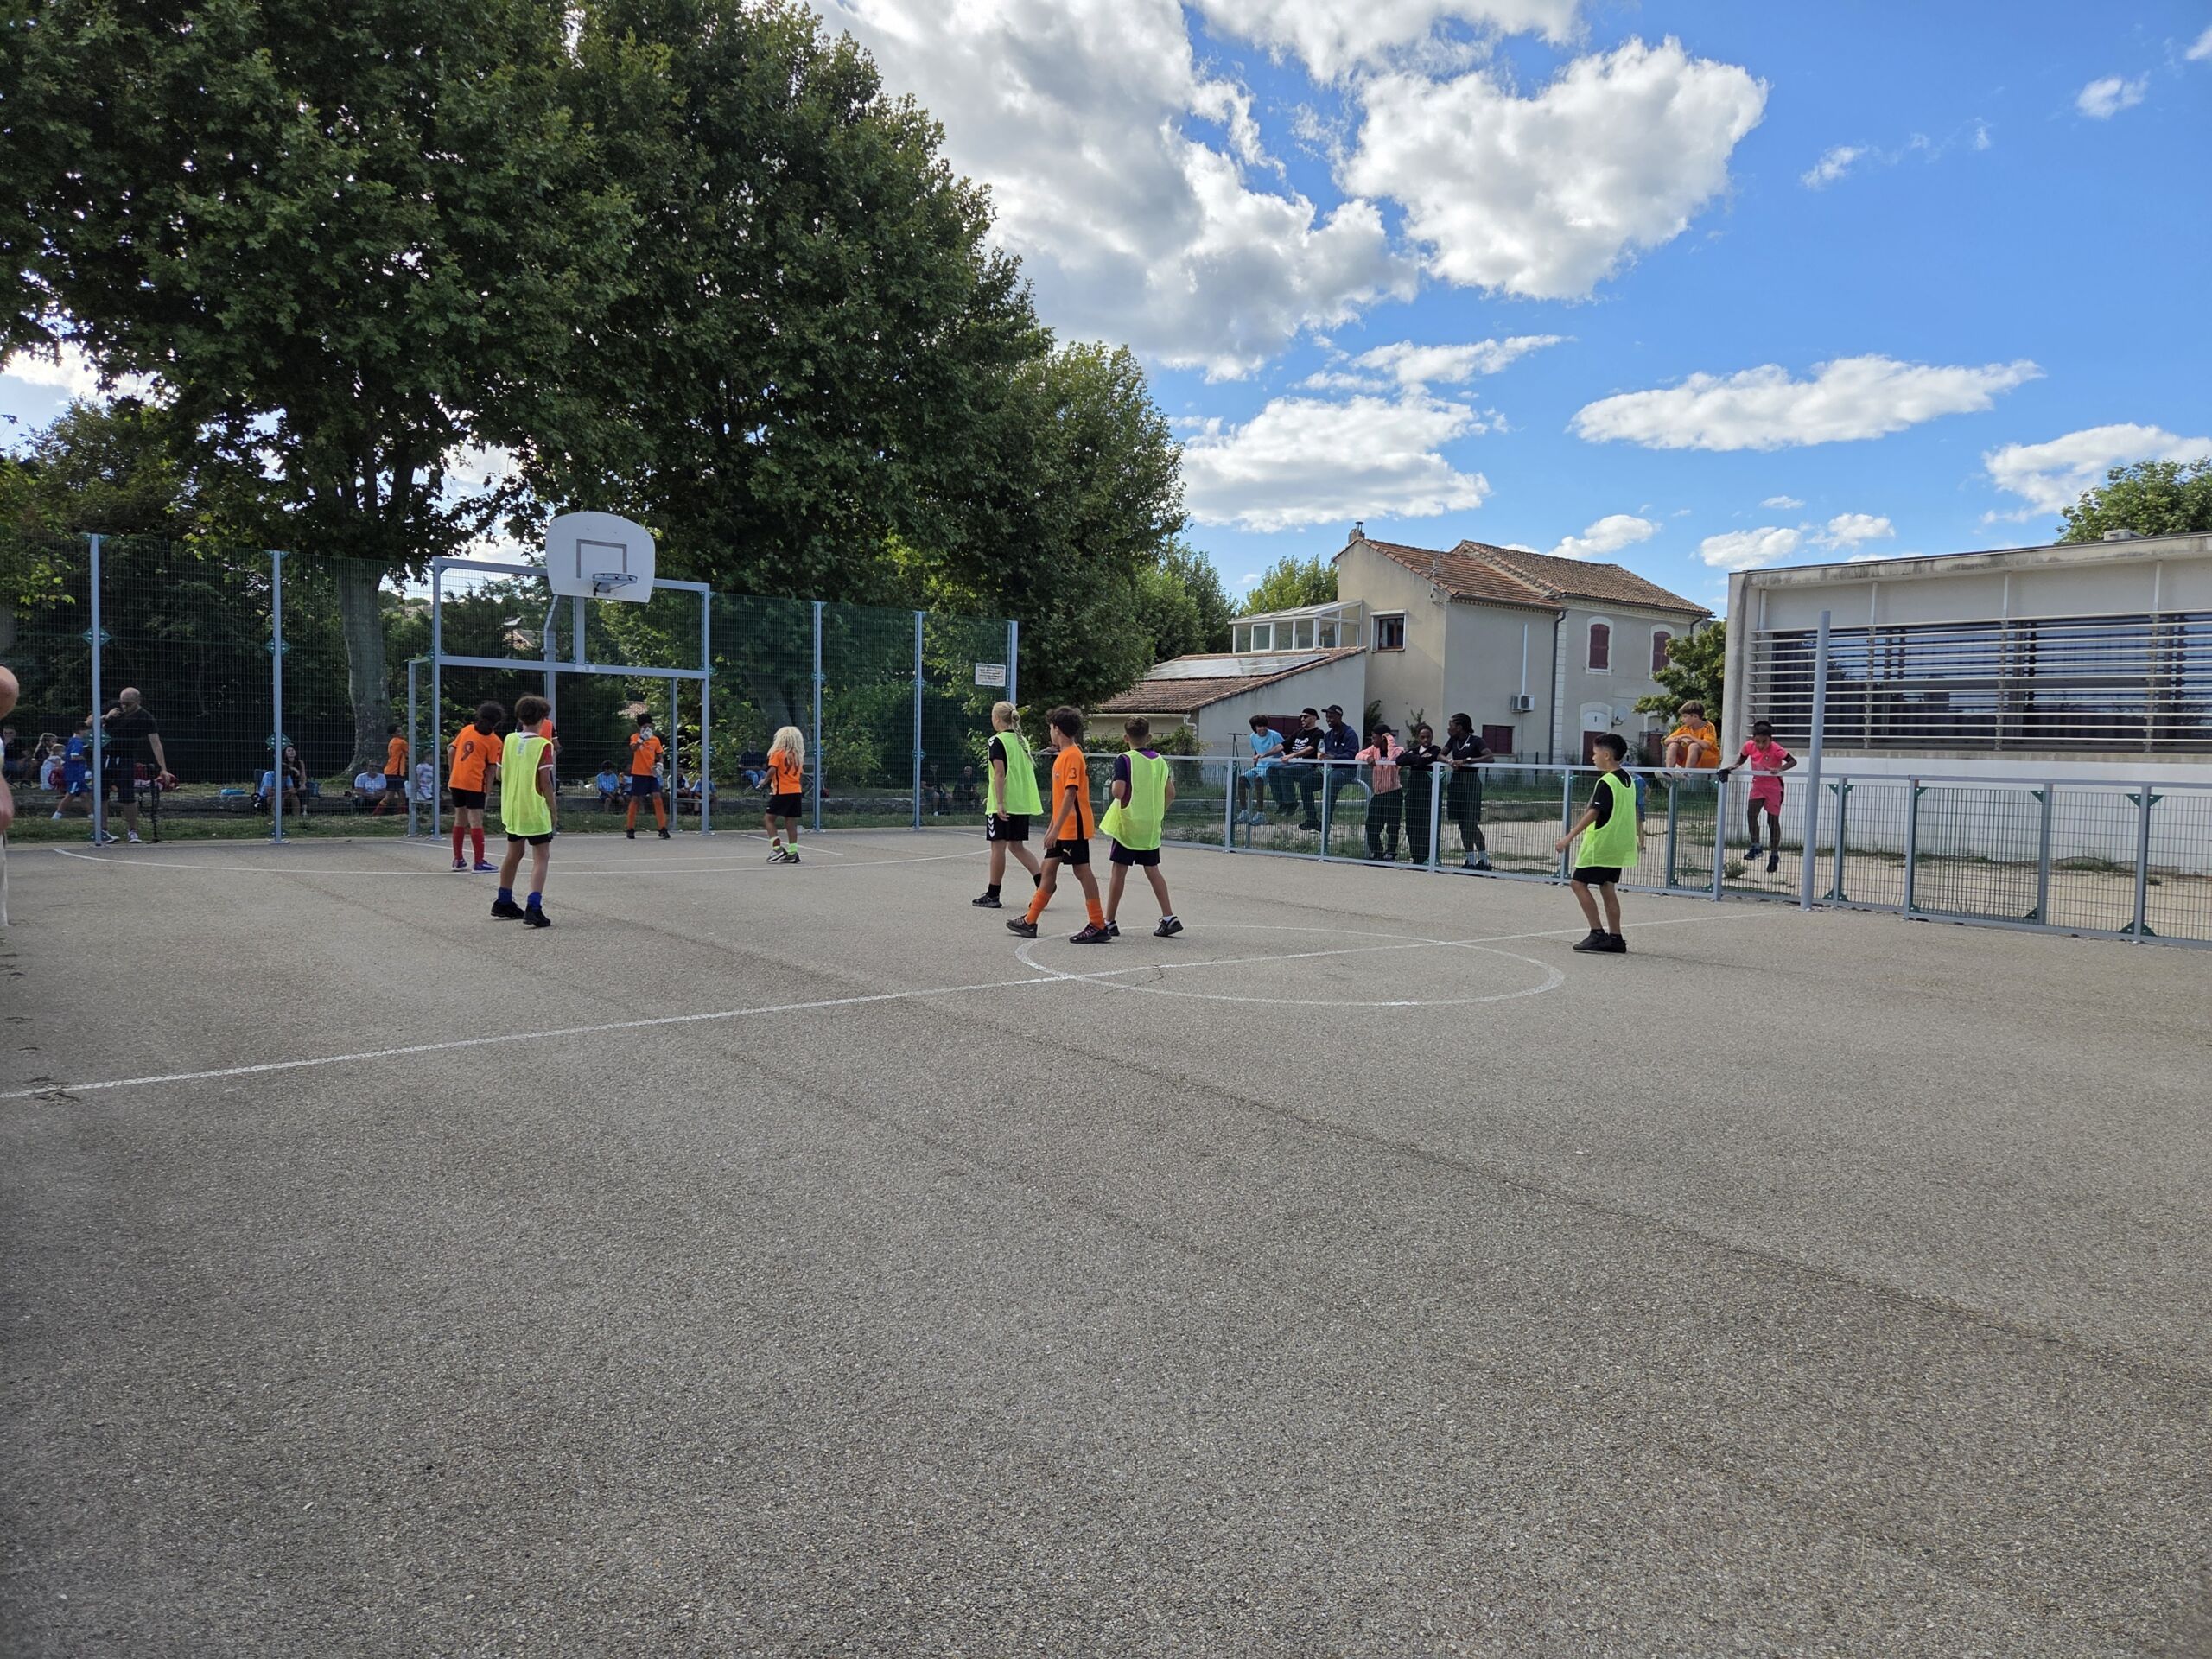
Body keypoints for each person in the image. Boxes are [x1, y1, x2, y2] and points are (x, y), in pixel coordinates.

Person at [1007, 706, 1109, 944]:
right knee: (1048, 869)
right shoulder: (1063, 755)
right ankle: (1030, 920)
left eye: (1051, 728)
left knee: (1082, 871)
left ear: (1058, 729)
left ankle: (1098, 923)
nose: (1050, 732)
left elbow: (1070, 794)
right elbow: (1060, 797)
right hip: (1063, 826)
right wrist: (1053, 826)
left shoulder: (1072, 755)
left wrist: (1056, 828)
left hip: (1074, 827)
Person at [1554, 732, 1641, 953]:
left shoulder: (1607, 781)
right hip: (1618, 844)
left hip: (1601, 844)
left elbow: (1594, 812)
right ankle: (1616, 937)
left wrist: (1568, 837)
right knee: (1607, 887)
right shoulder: (1628, 779)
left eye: (1594, 754)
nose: (1592, 758)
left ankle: (1597, 933)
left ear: (1606, 755)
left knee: (1577, 883)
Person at [1100, 716, 1180, 938]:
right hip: (1150, 824)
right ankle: (1168, 916)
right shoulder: (1160, 761)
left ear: (1126, 738)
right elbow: (1171, 792)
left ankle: (1110, 920)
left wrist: (1123, 798)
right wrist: (1158, 810)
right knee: (1152, 869)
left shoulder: (1125, 759)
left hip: (1129, 822)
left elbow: (1118, 791)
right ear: (1150, 737)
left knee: (1119, 870)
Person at [491, 694, 556, 927]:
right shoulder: (543, 745)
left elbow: (499, 774)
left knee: (514, 854)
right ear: (542, 719)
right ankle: (534, 907)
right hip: (534, 809)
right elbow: (545, 782)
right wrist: (553, 810)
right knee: (541, 857)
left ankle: (503, 900)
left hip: (512, 807)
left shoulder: (508, 740)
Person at [974, 700, 1044, 908]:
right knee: (1017, 846)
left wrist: (1000, 801)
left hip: (1004, 804)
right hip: (1021, 802)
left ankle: (993, 894)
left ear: (996, 719)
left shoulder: (996, 741)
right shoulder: (1023, 742)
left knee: (998, 847)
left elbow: (1000, 772)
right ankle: (1044, 884)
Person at [1723, 719, 1798, 874]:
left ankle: (1774, 853)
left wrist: (1780, 768)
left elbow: (1792, 761)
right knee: (1751, 814)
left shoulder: (1776, 749)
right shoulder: (1749, 746)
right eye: (1758, 741)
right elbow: (1743, 757)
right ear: (1753, 739)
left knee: (1772, 820)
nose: (1761, 745)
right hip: (1758, 785)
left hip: (1773, 787)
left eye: (1764, 742)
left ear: (1771, 739)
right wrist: (1734, 766)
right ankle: (1756, 846)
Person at [99, 687, 174, 845]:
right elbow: (89, 722)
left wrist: (163, 768)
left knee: (127, 795)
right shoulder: (113, 707)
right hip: (105, 756)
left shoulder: (145, 717)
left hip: (125, 757)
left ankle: (133, 831)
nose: (124, 706)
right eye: (122, 703)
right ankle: (102, 830)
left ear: (138, 701)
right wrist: (106, 717)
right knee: (101, 794)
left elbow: (156, 743)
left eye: (128, 704)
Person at [448, 702, 504, 872]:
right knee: (475, 820)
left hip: (457, 780)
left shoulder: (467, 729)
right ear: (497, 722)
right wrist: (487, 791)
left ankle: (458, 859)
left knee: (460, 818)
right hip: (474, 782)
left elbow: (451, 750)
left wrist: (452, 774)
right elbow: (492, 768)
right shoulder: (494, 740)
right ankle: (479, 862)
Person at [1442, 713, 1494, 871]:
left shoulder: (1476, 741)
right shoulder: (1453, 741)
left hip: (1471, 785)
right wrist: (1450, 761)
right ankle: (1470, 859)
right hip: (1457, 784)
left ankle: (1484, 860)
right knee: (1462, 824)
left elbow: (1490, 757)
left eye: (1451, 725)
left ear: (1459, 727)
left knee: (1471, 823)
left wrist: (1467, 761)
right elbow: (1441, 754)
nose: (1448, 728)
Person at [1353, 723, 1404, 861]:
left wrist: (1389, 739)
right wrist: (1367, 758)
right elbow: (1358, 755)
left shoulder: (1398, 749)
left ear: (1383, 738)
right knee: (1372, 825)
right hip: (1378, 793)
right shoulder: (1373, 750)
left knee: (1393, 826)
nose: (1372, 741)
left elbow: (1393, 758)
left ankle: (1391, 852)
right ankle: (1377, 852)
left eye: (1375, 738)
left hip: (1393, 793)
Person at [1398, 721, 1444, 867]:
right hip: (1413, 793)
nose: (1425, 740)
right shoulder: (1414, 750)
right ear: (1418, 738)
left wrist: (1415, 759)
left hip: (1427, 794)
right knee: (1411, 825)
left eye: (1428, 737)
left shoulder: (1436, 749)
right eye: (1423, 737)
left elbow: (1424, 761)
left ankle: (1426, 857)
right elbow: (1400, 760)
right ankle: (1416, 857)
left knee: (1425, 826)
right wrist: (1415, 758)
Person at [1312, 703, 1359, 830]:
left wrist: (1335, 757)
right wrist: (1319, 763)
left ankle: (1326, 821)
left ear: (1339, 716)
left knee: (1330, 782)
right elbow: (1323, 753)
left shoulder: (1350, 734)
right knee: (1306, 781)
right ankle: (1311, 819)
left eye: (1331, 717)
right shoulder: (1328, 735)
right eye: (1327, 717)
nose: (1328, 720)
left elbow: (1352, 755)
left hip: (1345, 770)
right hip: (1328, 769)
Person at [763, 725, 805, 862]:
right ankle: (793, 852)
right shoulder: (797, 756)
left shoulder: (777, 753)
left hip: (782, 791)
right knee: (790, 822)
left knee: (769, 819)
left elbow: (772, 770)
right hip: (795, 791)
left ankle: (777, 849)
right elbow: (800, 775)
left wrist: (764, 781)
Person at [625, 712, 670, 841]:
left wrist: (660, 764)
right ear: (640, 727)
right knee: (635, 799)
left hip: (651, 773)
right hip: (639, 773)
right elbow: (633, 749)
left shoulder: (655, 740)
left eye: (649, 727)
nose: (647, 729)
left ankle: (662, 828)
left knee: (657, 797)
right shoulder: (635, 737)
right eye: (645, 727)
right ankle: (630, 828)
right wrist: (641, 739)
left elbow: (660, 754)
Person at [1237, 715, 1291, 825]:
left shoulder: (1275, 735)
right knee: (1241, 779)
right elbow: (1257, 751)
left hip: (1273, 767)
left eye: (1264, 726)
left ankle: (1260, 813)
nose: (1262, 728)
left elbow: (1285, 748)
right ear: (1254, 728)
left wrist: (1287, 760)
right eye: (1259, 726)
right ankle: (1244, 812)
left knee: (1259, 780)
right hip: (1260, 766)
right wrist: (1257, 757)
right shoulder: (1253, 737)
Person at [1281, 708, 1323, 829]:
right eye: (1301, 717)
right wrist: (1264, 755)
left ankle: (1291, 802)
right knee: (1272, 770)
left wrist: (1292, 755)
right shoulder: (1298, 732)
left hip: (1309, 766)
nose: (1302, 719)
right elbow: (1283, 745)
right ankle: (1283, 802)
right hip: (1293, 765)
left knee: (1286, 772)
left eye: (1306, 716)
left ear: (1314, 718)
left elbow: (1311, 749)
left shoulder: (1319, 733)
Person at [1662, 700, 1720, 774]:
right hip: (1689, 761)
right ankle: (1669, 773)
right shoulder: (1685, 728)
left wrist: (1689, 736)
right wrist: (1679, 739)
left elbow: (1706, 745)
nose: (1682, 719)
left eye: (1685, 716)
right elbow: (1666, 741)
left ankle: (1687, 774)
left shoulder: (1708, 727)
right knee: (1672, 745)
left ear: (1695, 717)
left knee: (1694, 746)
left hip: (1708, 761)